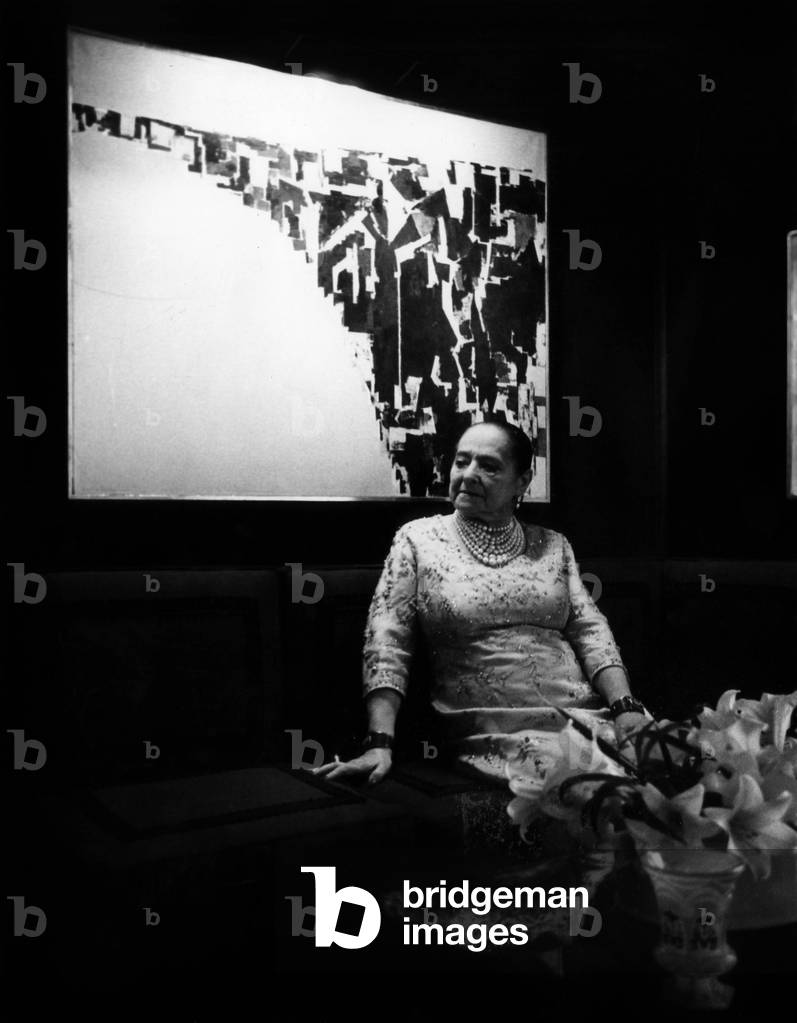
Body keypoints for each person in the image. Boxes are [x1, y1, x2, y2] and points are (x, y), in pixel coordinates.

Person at [312, 420, 648, 799]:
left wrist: (625, 708)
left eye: (488, 466)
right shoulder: (418, 540)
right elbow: (387, 641)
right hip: (493, 728)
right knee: (601, 797)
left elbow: (590, 630)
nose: (469, 474)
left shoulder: (553, 545)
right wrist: (379, 742)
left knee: (684, 766)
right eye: (462, 461)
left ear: (521, 482)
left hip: (587, 714)